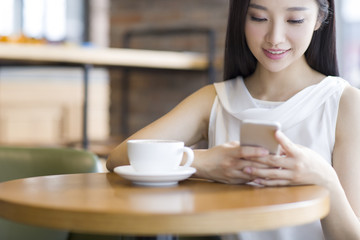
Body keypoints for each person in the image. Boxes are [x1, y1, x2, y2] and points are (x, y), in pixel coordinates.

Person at [107, 0, 360, 239]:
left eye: (294, 20)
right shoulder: (216, 100)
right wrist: (199, 161)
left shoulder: (343, 102)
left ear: (320, 18)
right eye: (258, 17)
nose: (274, 37)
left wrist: (326, 179)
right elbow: (119, 156)